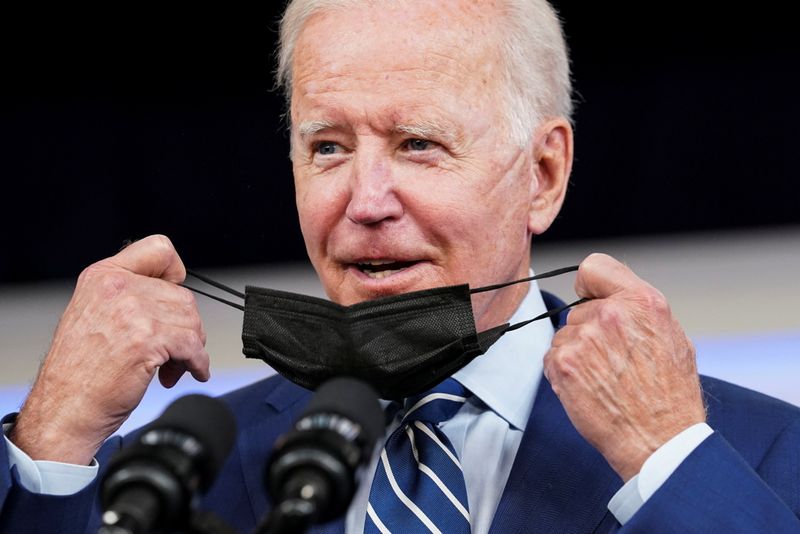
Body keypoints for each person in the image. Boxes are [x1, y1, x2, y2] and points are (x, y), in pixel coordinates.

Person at [1, 1, 799, 532]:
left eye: (418, 143)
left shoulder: (760, 455)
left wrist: (665, 460)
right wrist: (55, 438)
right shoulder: (169, 479)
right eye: (329, 147)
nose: (365, 200)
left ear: (544, 174)